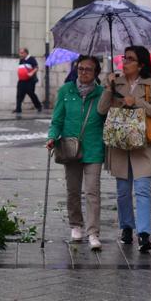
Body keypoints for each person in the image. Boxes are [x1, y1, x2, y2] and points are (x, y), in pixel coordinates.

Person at [98, 45, 151, 253]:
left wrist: (136, 102)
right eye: (124, 58)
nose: (124, 62)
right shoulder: (114, 81)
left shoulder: (150, 84)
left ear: (141, 64)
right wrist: (109, 88)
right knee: (123, 192)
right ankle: (127, 227)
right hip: (120, 145)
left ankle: (144, 234)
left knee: (143, 190)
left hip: (143, 146)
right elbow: (101, 110)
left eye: (130, 59)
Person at [47, 56, 106, 250]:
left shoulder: (102, 93)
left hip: (94, 147)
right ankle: (75, 225)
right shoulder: (66, 90)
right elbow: (57, 120)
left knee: (92, 192)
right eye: (80, 68)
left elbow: (109, 118)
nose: (83, 72)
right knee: (73, 190)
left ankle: (93, 233)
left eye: (88, 69)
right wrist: (52, 137)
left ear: (96, 72)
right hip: (70, 148)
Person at [13, 48, 42, 114]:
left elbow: (36, 67)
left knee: (31, 93)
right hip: (21, 80)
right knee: (19, 94)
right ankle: (18, 109)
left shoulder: (31, 59)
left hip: (30, 80)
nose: (20, 54)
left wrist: (31, 73)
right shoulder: (21, 60)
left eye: (22, 53)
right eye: (20, 53)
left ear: (26, 53)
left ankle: (38, 106)